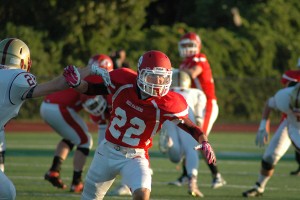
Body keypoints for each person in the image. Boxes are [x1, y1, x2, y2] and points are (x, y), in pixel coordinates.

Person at [63, 50, 217, 200]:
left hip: (135, 156)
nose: (158, 83)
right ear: (140, 74)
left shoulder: (168, 102)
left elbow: (190, 127)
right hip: (107, 151)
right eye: (152, 77)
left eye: (162, 78)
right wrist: (77, 84)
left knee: (142, 195)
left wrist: (204, 140)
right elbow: (91, 88)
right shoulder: (123, 80)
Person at [0, 38, 80, 199]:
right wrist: (85, 72)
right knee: (7, 193)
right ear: (22, 62)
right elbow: (55, 86)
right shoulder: (16, 78)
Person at [41, 54, 113, 193]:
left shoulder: (85, 72)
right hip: (60, 108)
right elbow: (92, 104)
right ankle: (76, 182)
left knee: (72, 137)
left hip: (47, 106)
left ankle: (53, 171)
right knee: (85, 141)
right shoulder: (94, 77)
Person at [176, 32, 226, 188]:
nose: (187, 49)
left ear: (198, 46)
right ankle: (185, 175)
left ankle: (217, 176)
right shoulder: (184, 63)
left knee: (200, 139)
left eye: (189, 45)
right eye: (184, 45)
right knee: (187, 137)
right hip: (194, 103)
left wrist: (171, 72)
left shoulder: (200, 58)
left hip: (206, 104)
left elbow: (191, 74)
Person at [242, 69, 300, 197]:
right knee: (269, 157)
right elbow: (269, 103)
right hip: (292, 125)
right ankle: (259, 187)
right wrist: (263, 125)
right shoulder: (286, 96)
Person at [159, 69, 207, 197]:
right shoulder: (196, 92)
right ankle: (192, 182)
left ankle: (169, 144)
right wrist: (199, 122)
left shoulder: (165, 91)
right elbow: (199, 112)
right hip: (185, 114)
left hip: (168, 116)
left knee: (175, 158)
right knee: (191, 150)